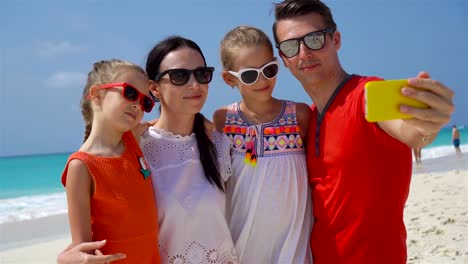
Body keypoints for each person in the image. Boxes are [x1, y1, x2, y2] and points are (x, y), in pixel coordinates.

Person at [272, 1, 454, 263]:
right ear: (284, 60)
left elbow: (412, 132)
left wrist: (429, 124)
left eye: (314, 39)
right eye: (291, 46)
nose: (303, 53)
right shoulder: (309, 118)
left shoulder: (368, 95)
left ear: (336, 40)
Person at [213, 25, 312, 263]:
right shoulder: (223, 119)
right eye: (249, 74)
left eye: (269, 69)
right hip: (242, 242)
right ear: (229, 79)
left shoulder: (299, 115)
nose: (262, 80)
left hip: (293, 244)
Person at [142, 36, 238, 263]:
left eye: (202, 74)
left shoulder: (220, 145)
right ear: (154, 88)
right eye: (179, 76)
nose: (195, 85)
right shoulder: (139, 148)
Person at [60, 59, 160, 264]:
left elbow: (175, 120)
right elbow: (83, 252)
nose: (137, 104)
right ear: (97, 95)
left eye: (145, 102)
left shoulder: (133, 139)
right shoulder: (81, 166)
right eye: (130, 93)